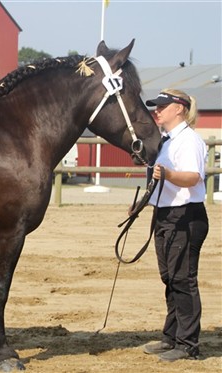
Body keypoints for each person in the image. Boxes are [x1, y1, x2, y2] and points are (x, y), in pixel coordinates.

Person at [142, 89, 209, 361]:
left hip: (185, 216)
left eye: (162, 106)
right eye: (156, 107)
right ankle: (171, 337)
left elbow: (193, 177)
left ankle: (188, 344)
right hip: (166, 215)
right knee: (170, 278)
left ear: (179, 109)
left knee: (183, 280)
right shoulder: (167, 141)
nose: (157, 110)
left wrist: (168, 174)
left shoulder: (189, 141)